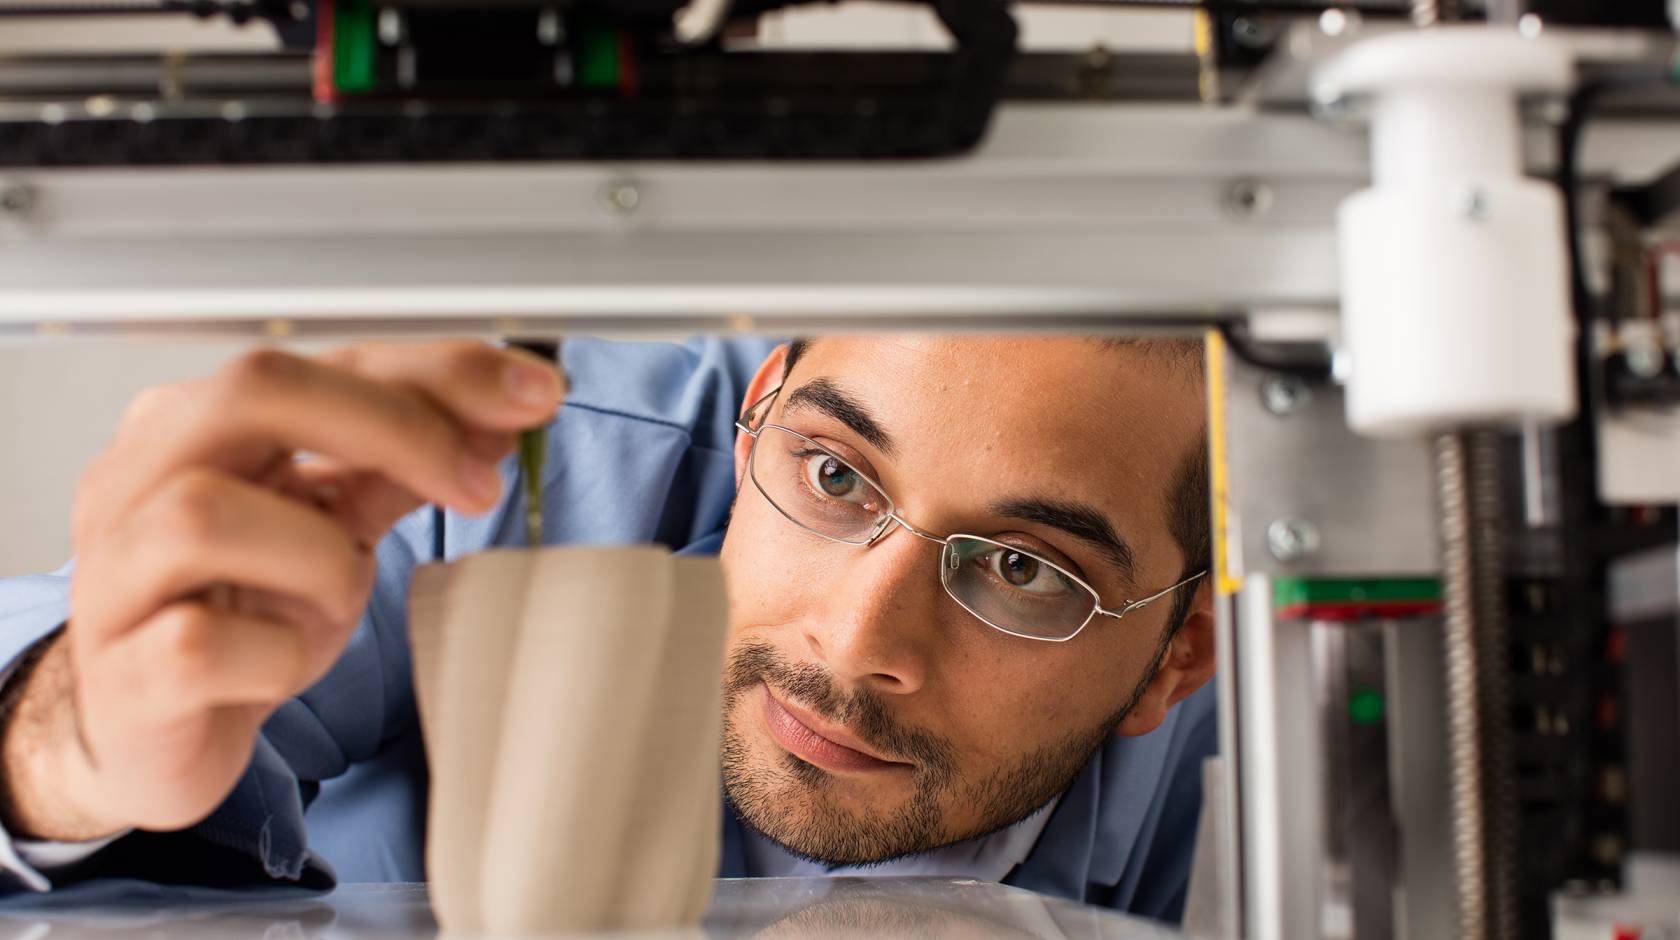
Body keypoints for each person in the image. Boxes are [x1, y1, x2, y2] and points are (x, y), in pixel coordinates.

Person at [0, 334, 1217, 921]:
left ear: (1176, 658)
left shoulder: (1276, 740)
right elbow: (77, 716)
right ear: (758, 411)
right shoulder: (496, 479)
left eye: (1020, 570)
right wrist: (68, 741)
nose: (854, 645)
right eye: (836, 478)